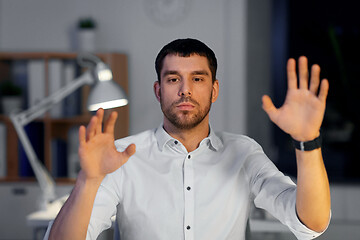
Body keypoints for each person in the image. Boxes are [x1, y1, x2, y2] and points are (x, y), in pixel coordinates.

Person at [47, 38, 331, 240]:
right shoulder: (121, 156)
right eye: (173, 79)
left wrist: (307, 141)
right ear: (159, 91)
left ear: (214, 90)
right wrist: (88, 181)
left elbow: (311, 223)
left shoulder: (243, 152)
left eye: (197, 79)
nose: (185, 90)